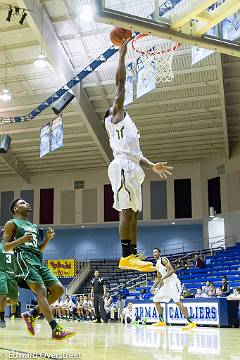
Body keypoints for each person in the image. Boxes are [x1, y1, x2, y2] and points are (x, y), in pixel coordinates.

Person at [104, 40, 173, 272]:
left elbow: (138, 155)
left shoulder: (131, 127)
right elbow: (120, 85)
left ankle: (132, 254)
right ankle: (125, 256)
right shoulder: (115, 119)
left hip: (134, 166)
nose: (118, 107)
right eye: (115, 107)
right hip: (122, 165)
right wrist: (122, 56)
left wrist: (153, 166)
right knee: (125, 210)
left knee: (134, 213)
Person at [2, 198, 75, 339]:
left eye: (26, 202)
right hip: (23, 259)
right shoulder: (11, 223)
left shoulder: (33, 226)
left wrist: (46, 239)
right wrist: (20, 240)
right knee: (41, 290)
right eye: (22, 203)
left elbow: (38, 249)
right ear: (15, 209)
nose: (27, 204)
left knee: (59, 289)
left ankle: (32, 314)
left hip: (37, 260)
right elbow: (5, 247)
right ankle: (55, 329)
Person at [151, 248, 196, 330]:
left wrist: (163, 278)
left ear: (159, 253)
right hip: (166, 284)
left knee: (177, 301)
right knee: (155, 299)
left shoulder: (163, 260)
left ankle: (191, 322)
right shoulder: (157, 264)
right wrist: (154, 286)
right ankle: (161, 321)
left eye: (156, 251)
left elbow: (172, 270)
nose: (154, 253)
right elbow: (158, 278)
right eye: (153, 252)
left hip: (173, 282)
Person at [0, 231, 19, 328]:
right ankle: (2, 319)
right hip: (1, 272)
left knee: (13, 301)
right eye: (5, 233)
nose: (7, 234)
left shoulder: (14, 248)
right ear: (1, 236)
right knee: (3, 295)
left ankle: (1, 304)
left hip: (12, 274)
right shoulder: (0, 246)